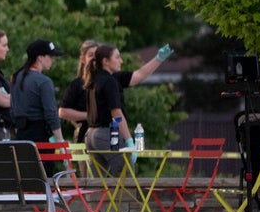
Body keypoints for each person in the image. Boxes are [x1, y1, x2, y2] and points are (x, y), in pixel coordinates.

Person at [60, 41, 173, 142]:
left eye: (96, 54)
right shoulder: (93, 82)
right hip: (96, 134)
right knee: (121, 164)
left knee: (103, 165)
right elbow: (116, 113)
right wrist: (129, 140)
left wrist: (158, 59)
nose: (94, 58)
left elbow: (139, 75)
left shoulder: (110, 78)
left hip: (94, 135)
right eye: (91, 55)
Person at [61, 44, 134, 176]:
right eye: (117, 57)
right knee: (125, 174)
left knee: (96, 181)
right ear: (105, 61)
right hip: (107, 133)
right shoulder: (109, 81)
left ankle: (95, 198)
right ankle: (123, 198)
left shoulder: (92, 79)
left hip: (90, 135)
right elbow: (116, 113)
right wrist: (129, 140)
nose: (121, 61)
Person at [10, 39, 66, 145]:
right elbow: (51, 114)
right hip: (40, 136)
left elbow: (12, 109)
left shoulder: (16, 77)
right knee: (43, 162)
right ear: (40, 57)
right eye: (50, 56)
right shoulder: (44, 81)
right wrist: (60, 140)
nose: (52, 60)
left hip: (21, 134)